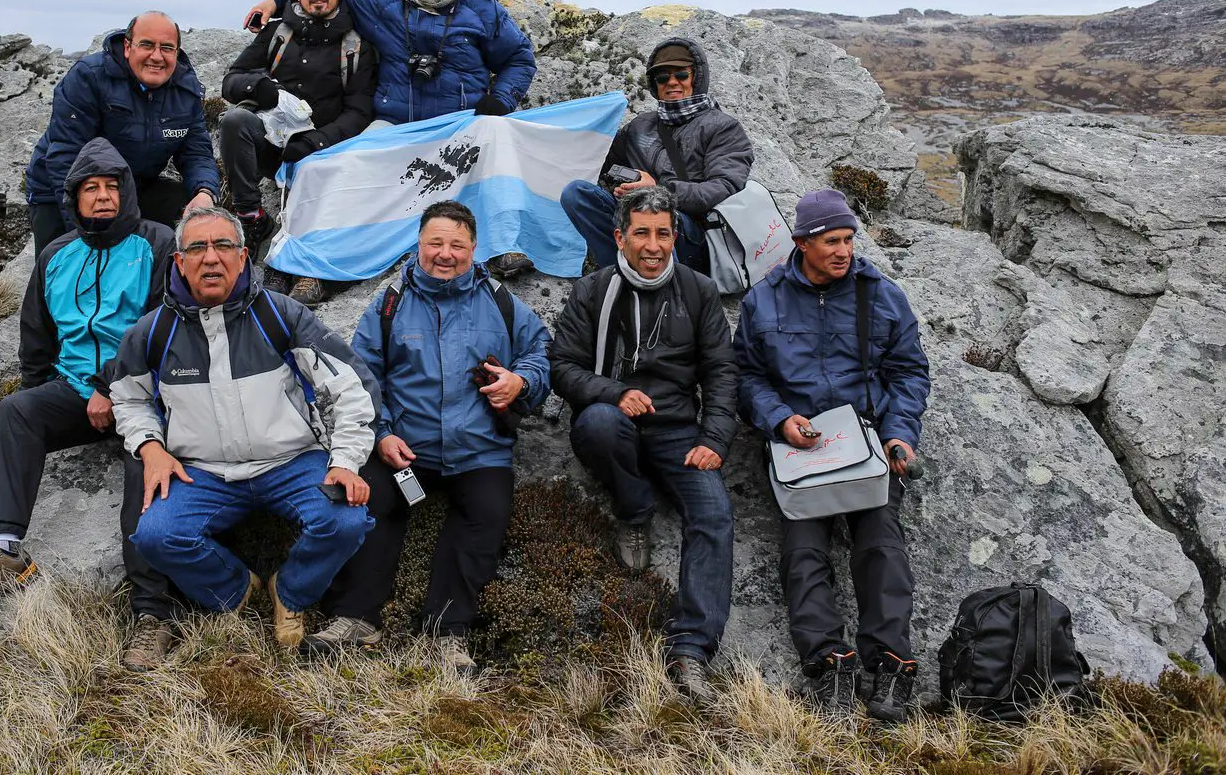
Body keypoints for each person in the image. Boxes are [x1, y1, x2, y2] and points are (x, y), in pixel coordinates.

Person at [0, 138, 183, 671]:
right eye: (90, 189)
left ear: (127, 193)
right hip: (75, 393)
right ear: (73, 200)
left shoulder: (158, 243)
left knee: (144, 475)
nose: (101, 197)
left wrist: (108, 385)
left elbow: (161, 324)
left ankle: (153, 614)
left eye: (111, 187)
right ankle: (3, 552)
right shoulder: (56, 255)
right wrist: (18, 422)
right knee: (16, 412)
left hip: (144, 396)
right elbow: (37, 343)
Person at [109, 206, 381, 650]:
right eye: (197, 247)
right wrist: (150, 447)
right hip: (202, 471)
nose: (210, 258)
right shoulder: (151, 330)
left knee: (345, 521)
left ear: (243, 258)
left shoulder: (282, 315)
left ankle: (289, 592)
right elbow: (129, 398)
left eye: (223, 246)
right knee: (155, 536)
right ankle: (236, 591)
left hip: (292, 461)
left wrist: (347, 462)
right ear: (179, 262)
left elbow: (348, 391)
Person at [305, 201, 552, 672]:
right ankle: (356, 618)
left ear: (474, 248)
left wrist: (522, 382)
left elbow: (540, 349)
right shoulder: (390, 301)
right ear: (418, 245)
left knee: (485, 515)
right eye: (435, 243)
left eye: (457, 245)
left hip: (480, 451)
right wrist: (381, 434)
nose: (445, 254)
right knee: (371, 501)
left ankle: (446, 634)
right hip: (406, 449)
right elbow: (362, 375)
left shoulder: (500, 300)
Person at [733, 188, 931, 722]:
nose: (844, 251)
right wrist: (778, 418)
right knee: (804, 551)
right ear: (801, 243)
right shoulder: (764, 300)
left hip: (866, 444)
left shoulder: (881, 295)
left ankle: (890, 664)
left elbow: (908, 372)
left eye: (848, 240)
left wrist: (899, 434)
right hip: (800, 449)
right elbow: (746, 376)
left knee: (882, 545)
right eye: (831, 241)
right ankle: (828, 665)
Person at [244, 0, 536, 277]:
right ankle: (315, 266)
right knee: (331, 170)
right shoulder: (381, 1)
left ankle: (504, 246)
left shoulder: (482, 10)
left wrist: (500, 100)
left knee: (498, 143)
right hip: (394, 126)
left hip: (462, 125)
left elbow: (520, 58)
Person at [549, 186, 739, 705]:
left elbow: (722, 372)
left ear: (674, 236)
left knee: (715, 516)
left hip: (679, 432)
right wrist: (615, 392)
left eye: (662, 233)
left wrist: (714, 439)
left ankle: (691, 651)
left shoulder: (698, 291)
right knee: (598, 424)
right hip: (617, 419)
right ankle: (635, 510)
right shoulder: (593, 290)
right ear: (620, 236)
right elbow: (562, 367)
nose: (653, 245)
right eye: (641, 233)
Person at [219, 0, 377, 307]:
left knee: (314, 173)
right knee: (234, 121)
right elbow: (231, 81)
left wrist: (319, 140)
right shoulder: (278, 32)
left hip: (323, 150)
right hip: (272, 143)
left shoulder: (356, 45)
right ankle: (251, 216)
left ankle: (297, 266)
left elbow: (359, 111)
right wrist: (254, 88)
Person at [25, 11, 220, 255]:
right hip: (60, 191)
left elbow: (197, 153)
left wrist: (205, 192)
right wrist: (87, 230)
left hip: (132, 188)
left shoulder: (185, 90)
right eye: (147, 45)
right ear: (128, 47)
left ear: (177, 52)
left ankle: (168, 284)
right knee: (65, 269)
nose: (156, 56)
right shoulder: (89, 77)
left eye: (167, 48)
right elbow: (65, 156)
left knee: (185, 203)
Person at [561, 38, 754, 272]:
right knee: (576, 194)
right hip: (633, 219)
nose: (672, 82)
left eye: (681, 75)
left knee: (653, 211)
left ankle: (667, 284)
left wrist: (658, 190)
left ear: (696, 77)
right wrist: (619, 186)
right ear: (654, 84)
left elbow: (724, 189)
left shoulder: (723, 128)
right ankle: (617, 271)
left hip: (689, 233)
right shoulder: (638, 127)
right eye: (662, 77)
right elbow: (600, 167)